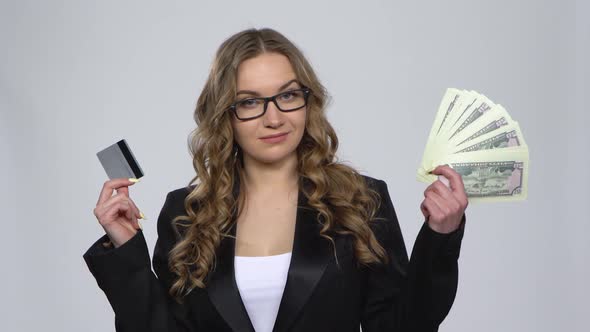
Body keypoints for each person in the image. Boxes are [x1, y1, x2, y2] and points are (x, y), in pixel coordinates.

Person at [83, 28, 468, 332]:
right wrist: (127, 250)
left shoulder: (362, 200)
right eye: (250, 102)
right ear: (225, 116)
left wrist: (440, 238)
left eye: (288, 96)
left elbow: (403, 326)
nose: (274, 118)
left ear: (308, 101)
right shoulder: (186, 212)